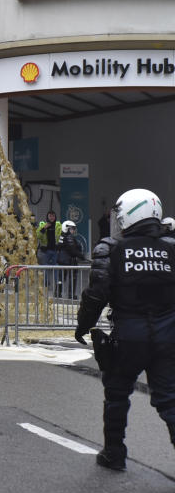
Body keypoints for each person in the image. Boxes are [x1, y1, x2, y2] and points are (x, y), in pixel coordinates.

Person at [74, 188, 175, 471]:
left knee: (117, 395)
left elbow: (96, 294)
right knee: (169, 400)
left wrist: (83, 325)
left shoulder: (112, 249)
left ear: (131, 214)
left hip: (129, 336)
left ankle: (114, 453)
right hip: (168, 335)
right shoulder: (171, 249)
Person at [56, 220, 85, 299]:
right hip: (68, 261)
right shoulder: (68, 237)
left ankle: (58, 293)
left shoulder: (62, 236)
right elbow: (72, 250)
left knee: (61, 278)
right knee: (72, 278)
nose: (73, 230)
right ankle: (71, 294)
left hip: (63, 260)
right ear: (66, 228)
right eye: (72, 228)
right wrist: (81, 256)